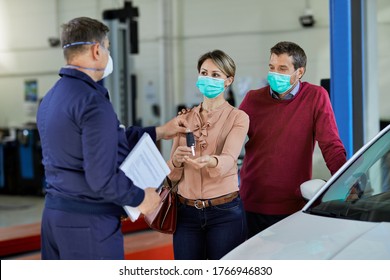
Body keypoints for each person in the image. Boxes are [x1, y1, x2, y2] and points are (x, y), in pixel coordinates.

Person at [36, 17, 188, 260]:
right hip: (89, 225)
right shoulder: (92, 102)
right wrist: (141, 198)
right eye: (107, 46)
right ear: (97, 50)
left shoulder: (51, 98)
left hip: (54, 219)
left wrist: (159, 131)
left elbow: (102, 142)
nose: (107, 53)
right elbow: (101, 178)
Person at [239, 41, 347, 238]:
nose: (275, 74)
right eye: (271, 68)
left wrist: (346, 181)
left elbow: (331, 144)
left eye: (282, 69)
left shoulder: (315, 96)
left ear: (299, 72)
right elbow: (228, 138)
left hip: (293, 204)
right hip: (252, 202)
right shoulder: (252, 99)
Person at [167, 50, 249, 260]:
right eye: (204, 73)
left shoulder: (238, 117)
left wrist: (211, 160)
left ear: (228, 80)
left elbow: (230, 158)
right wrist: (175, 161)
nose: (208, 78)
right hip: (186, 213)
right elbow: (172, 175)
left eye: (215, 75)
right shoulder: (184, 118)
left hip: (225, 213)